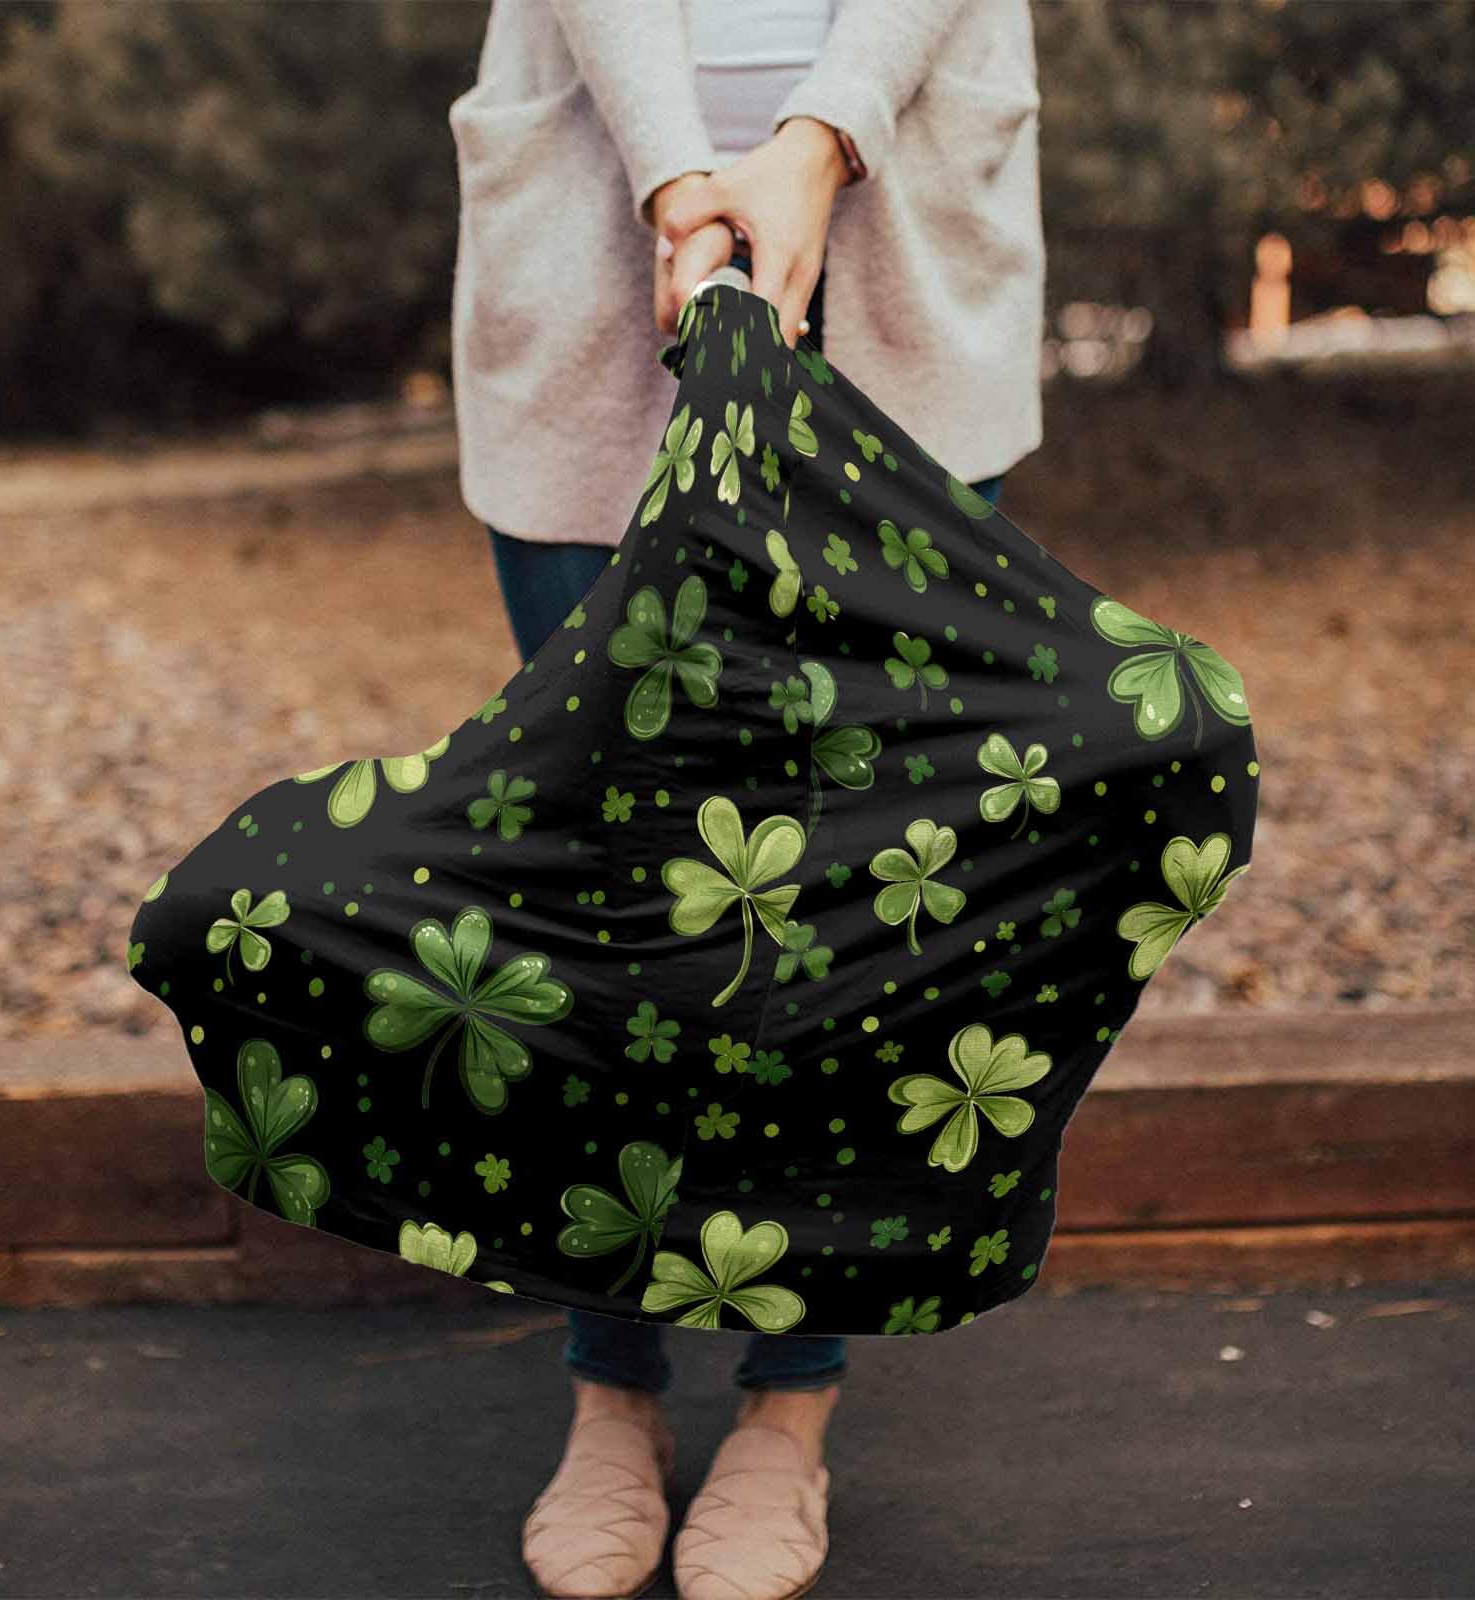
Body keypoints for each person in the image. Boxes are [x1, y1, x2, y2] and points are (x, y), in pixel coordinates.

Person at [446, 4, 1044, 1596]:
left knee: (855, 885)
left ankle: (791, 1405)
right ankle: (611, 1387)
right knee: (607, 879)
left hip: (903, 234)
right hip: (594, 222)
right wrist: (677, 178)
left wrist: (821, 141)